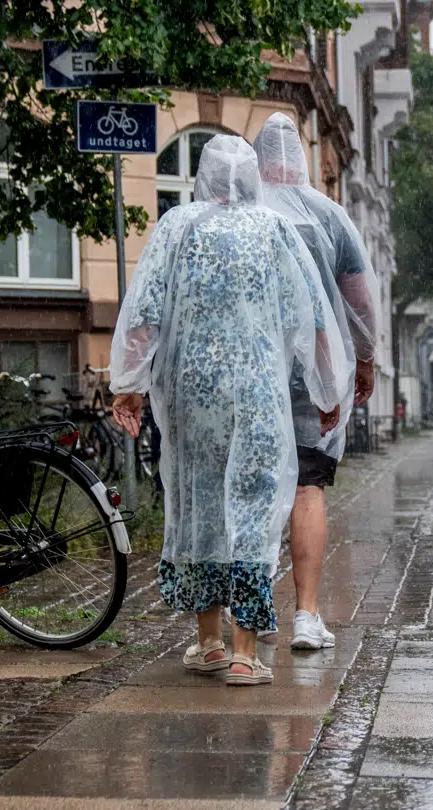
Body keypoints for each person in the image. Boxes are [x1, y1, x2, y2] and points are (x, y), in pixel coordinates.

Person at [110, 135, 348, 684]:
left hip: (193, 392)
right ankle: (246, 653)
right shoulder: (273, 229)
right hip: (258, 391)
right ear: (253, 178)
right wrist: (326, 391)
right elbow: (309, 316)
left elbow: (143, 307)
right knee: (255, 507)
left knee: (201, 502)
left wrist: (130, 384)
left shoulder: (179, 226)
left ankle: (209, 642)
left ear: (204, 175)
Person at [252, 113, 378, 650]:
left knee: (252, 489)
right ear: (302, 159)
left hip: (252, 373)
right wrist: (365, 361)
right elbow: (359, 300)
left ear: (257, 162)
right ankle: (306, 616)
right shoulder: (331, 218)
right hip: (315, 376)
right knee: (308, 486)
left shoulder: (242, 215)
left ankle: (249, 620)